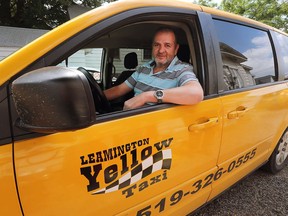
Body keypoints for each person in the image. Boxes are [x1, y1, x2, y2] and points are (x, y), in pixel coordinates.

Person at [104, 27, 204, 110]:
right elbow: (118, 90)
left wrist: (146, 96)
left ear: (176, 49)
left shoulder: (182, 69)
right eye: (157, 45)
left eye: (167, 45)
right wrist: (93, 99)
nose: (161, 50)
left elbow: (196, 93)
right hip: (130, 121)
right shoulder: (143, 68)